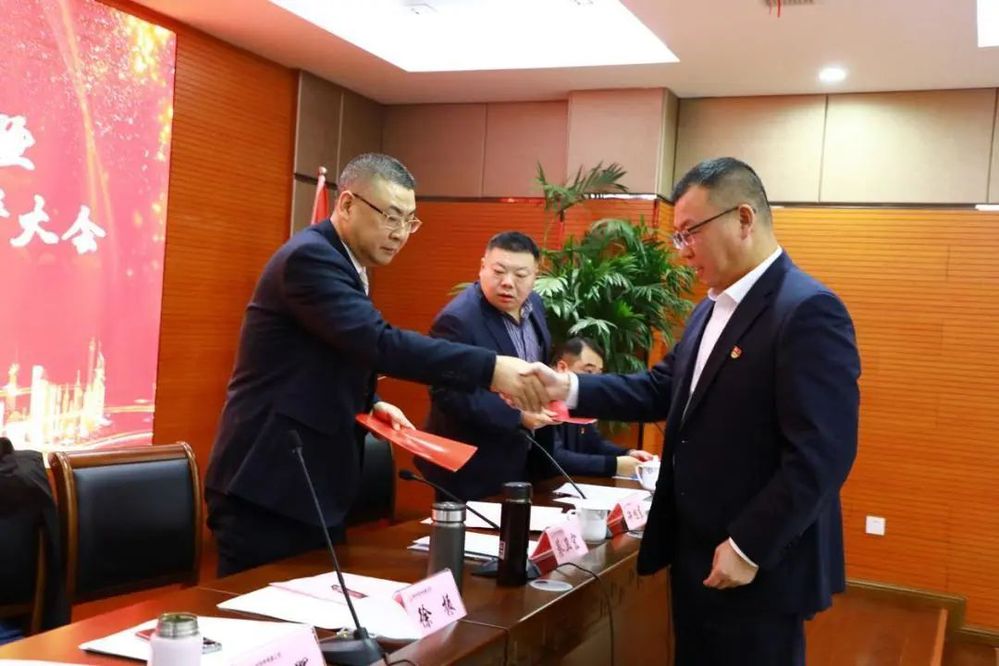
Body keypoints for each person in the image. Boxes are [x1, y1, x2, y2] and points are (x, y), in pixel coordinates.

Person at [531, 157, 860, 665]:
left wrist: (749, 545)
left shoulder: (806, 309)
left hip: (755, 563)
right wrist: (568, 387)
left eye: (690, 233)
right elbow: (662, 388)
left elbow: (823, 454)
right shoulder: (710, 307)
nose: (682, 250)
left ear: (744, 219)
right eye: (678, 236)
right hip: (697, 551)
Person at [204, 154, 548, 576]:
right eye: (390, 216)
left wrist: (371, 400)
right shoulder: (310, 259)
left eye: (409, 221)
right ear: (347, 204)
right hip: (269, 481)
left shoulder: (345, 262)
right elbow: (378, 342)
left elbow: (329, 353)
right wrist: (492, 369)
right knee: (259, 613)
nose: (400, 233)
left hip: (305, 483)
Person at [418, 231, 556, 500]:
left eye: (520, 275)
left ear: (535, 275)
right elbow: (447, 393)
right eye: (498, 271)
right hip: (471, 466)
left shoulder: (535, 305)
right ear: (482, 267)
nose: (508, 283)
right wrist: (518, 416)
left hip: (522, 460)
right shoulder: (457, 320)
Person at [549, 337, 654, 478]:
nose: (595, 380)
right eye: (589, 371)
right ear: (562, 368)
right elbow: (554, 457)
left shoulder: (580, 401)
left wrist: (627, 453)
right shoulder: (543, 401)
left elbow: (595, 443)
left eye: (598, 374)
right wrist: (614, 465)